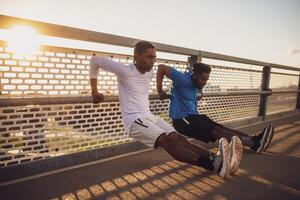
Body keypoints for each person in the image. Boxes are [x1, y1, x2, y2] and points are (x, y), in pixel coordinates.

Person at [89, 41, 241, 177]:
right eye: (149, 57)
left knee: (179, 139)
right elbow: (95, 61)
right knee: (167, 142)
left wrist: (161, 90)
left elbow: (180, 74)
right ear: (137, 56)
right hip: (134, 119)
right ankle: (211, 165)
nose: (153, 61)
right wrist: (94, 91)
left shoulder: (149, 71)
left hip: (149, 116)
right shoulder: (124, 70)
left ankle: (215, 158)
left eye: (154, 57)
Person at [156, 62, 274, 154]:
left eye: (206, 80)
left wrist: (198, 91)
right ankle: (254, 143)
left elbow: (190, 90)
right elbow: (161, 68)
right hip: (182, 120)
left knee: (221, 128)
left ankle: (254, 139)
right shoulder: (182, 78)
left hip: (194, 116)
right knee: (217, 132)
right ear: (195, 75)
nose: (204, 82)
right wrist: (160, 90)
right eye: (202, 79)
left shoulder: (194, 83)